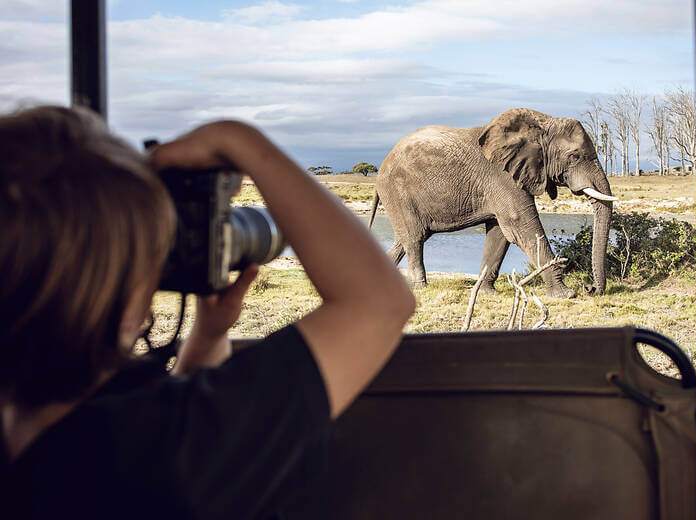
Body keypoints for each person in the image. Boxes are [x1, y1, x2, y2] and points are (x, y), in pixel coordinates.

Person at [0, 106, 416, 518]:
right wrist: (237, 140)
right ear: (127, 291)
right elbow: (377, 302)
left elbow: (169, 422)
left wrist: (209, 335)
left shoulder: (37, 436)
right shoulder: (158, 452)